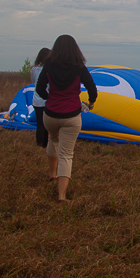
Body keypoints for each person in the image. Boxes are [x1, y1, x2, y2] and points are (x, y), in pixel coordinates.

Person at [36, 35, 97, 202]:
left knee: (52, 139)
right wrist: (90, 103)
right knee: (66, 154)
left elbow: (40, 88)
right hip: (71, 115)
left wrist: (50, 98)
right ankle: (61, 195)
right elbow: (92, 89)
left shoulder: (48, 65)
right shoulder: (79, 67)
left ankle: (51, 174)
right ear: (75, 49)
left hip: (50, 114)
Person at [30, 47, 51, 147]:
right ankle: (43, 143)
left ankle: (40, 143)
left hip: (37, 100)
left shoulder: (34, 69)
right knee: (45, 124)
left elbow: (34, 83)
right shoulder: (47, 69)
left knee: (40, 123)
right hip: (45, 99)